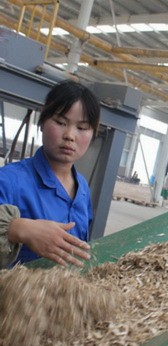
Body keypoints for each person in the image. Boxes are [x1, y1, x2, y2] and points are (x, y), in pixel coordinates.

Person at [0, 80, 100, 268]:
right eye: (61, 122)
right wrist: (16, 228)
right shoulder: (9, 180)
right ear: (42, 123)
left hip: (66, 293)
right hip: (17, 295)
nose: (70, 135)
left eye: (82, 128)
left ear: (93, 134)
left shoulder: (82, 187)